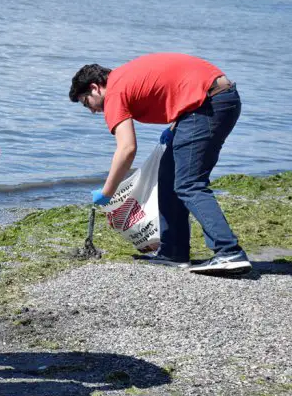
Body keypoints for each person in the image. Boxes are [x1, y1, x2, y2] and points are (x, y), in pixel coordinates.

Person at [69, 53, 251, 276]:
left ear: (95, 87)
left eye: (87, 103)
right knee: (168, 177)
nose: (93, 111)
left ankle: (229, 251)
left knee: (189, 184)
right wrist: (175, 126)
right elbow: (175, 84)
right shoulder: (125, 76)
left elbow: (127, 149)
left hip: (207, 105)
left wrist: (108, 191)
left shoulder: (115, 91)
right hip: (214, 100)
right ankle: (174, 252)